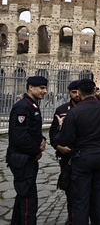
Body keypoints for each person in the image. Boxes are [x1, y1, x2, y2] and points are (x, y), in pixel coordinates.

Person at [58, 79, 100, 225]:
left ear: (79, 92)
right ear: (94, 91)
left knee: (80, 199)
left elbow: (66, 139)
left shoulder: (74, 112)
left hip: (82, 158)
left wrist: (62, 127)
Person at [6, 76, 48, 224]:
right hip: (22, 158)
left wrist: (42, 139)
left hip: (26, 157)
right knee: (28, 201)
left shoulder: (31, 105)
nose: (45, 91)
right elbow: (20, 137)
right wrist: (36, 150)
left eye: (45, 88)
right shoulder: (23, 107)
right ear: (31, 87)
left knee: (22, 196)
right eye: (42, 88)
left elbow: (32, 130)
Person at [49, 79, 81, 225]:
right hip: (66, 156)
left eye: (79, 92)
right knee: (69, 188)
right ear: (69, 93)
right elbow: (53, 131)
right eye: (74, 92)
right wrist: (57, 146)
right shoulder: (61, 110)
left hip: (83, 154)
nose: (77, 95)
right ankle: (72, 216)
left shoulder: (88, 109)